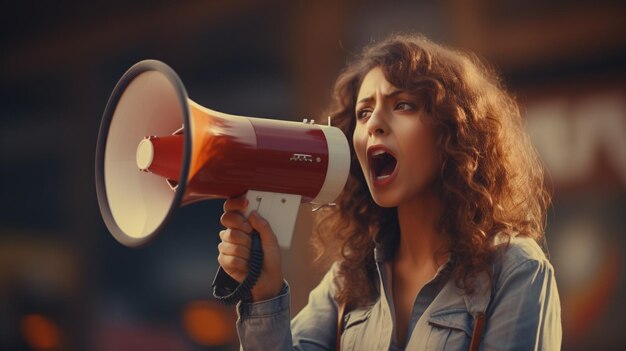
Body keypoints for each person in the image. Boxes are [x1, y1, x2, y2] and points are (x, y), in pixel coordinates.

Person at [216, 33, 562, 350]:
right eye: (363, 113)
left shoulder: (515, 270)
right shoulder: (348, 281)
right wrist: (265, 293)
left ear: (453, 131)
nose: (374, 124)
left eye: (403, 105)